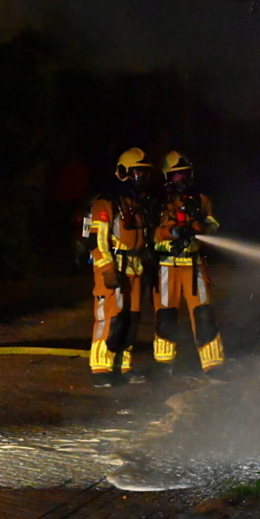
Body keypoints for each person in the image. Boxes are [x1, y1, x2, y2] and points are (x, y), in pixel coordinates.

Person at [152, 151, 225, 377]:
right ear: (167, 177)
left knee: (203, 313)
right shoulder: (158, 202)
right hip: (166, 266)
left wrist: (200, 230)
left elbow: (212, 224)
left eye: (184, 174)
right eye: (176, 176)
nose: (181, 180)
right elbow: (148, 233)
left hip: (194, 265)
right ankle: (164, 365)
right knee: (165, 315)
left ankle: (213, 364)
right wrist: (171, 232)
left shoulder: (201, 200)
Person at [88, 148, 151, 387]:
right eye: (137, 172)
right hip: (114, 265)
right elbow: (97, 240)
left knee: (131, 319)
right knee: (110, 317)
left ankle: (122, 366)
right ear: (123, 172)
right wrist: (106, 268)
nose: (141, 178)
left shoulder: (136, 201)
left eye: (144, 173)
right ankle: (101, 367)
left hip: (134, 266)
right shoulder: (106, 200)